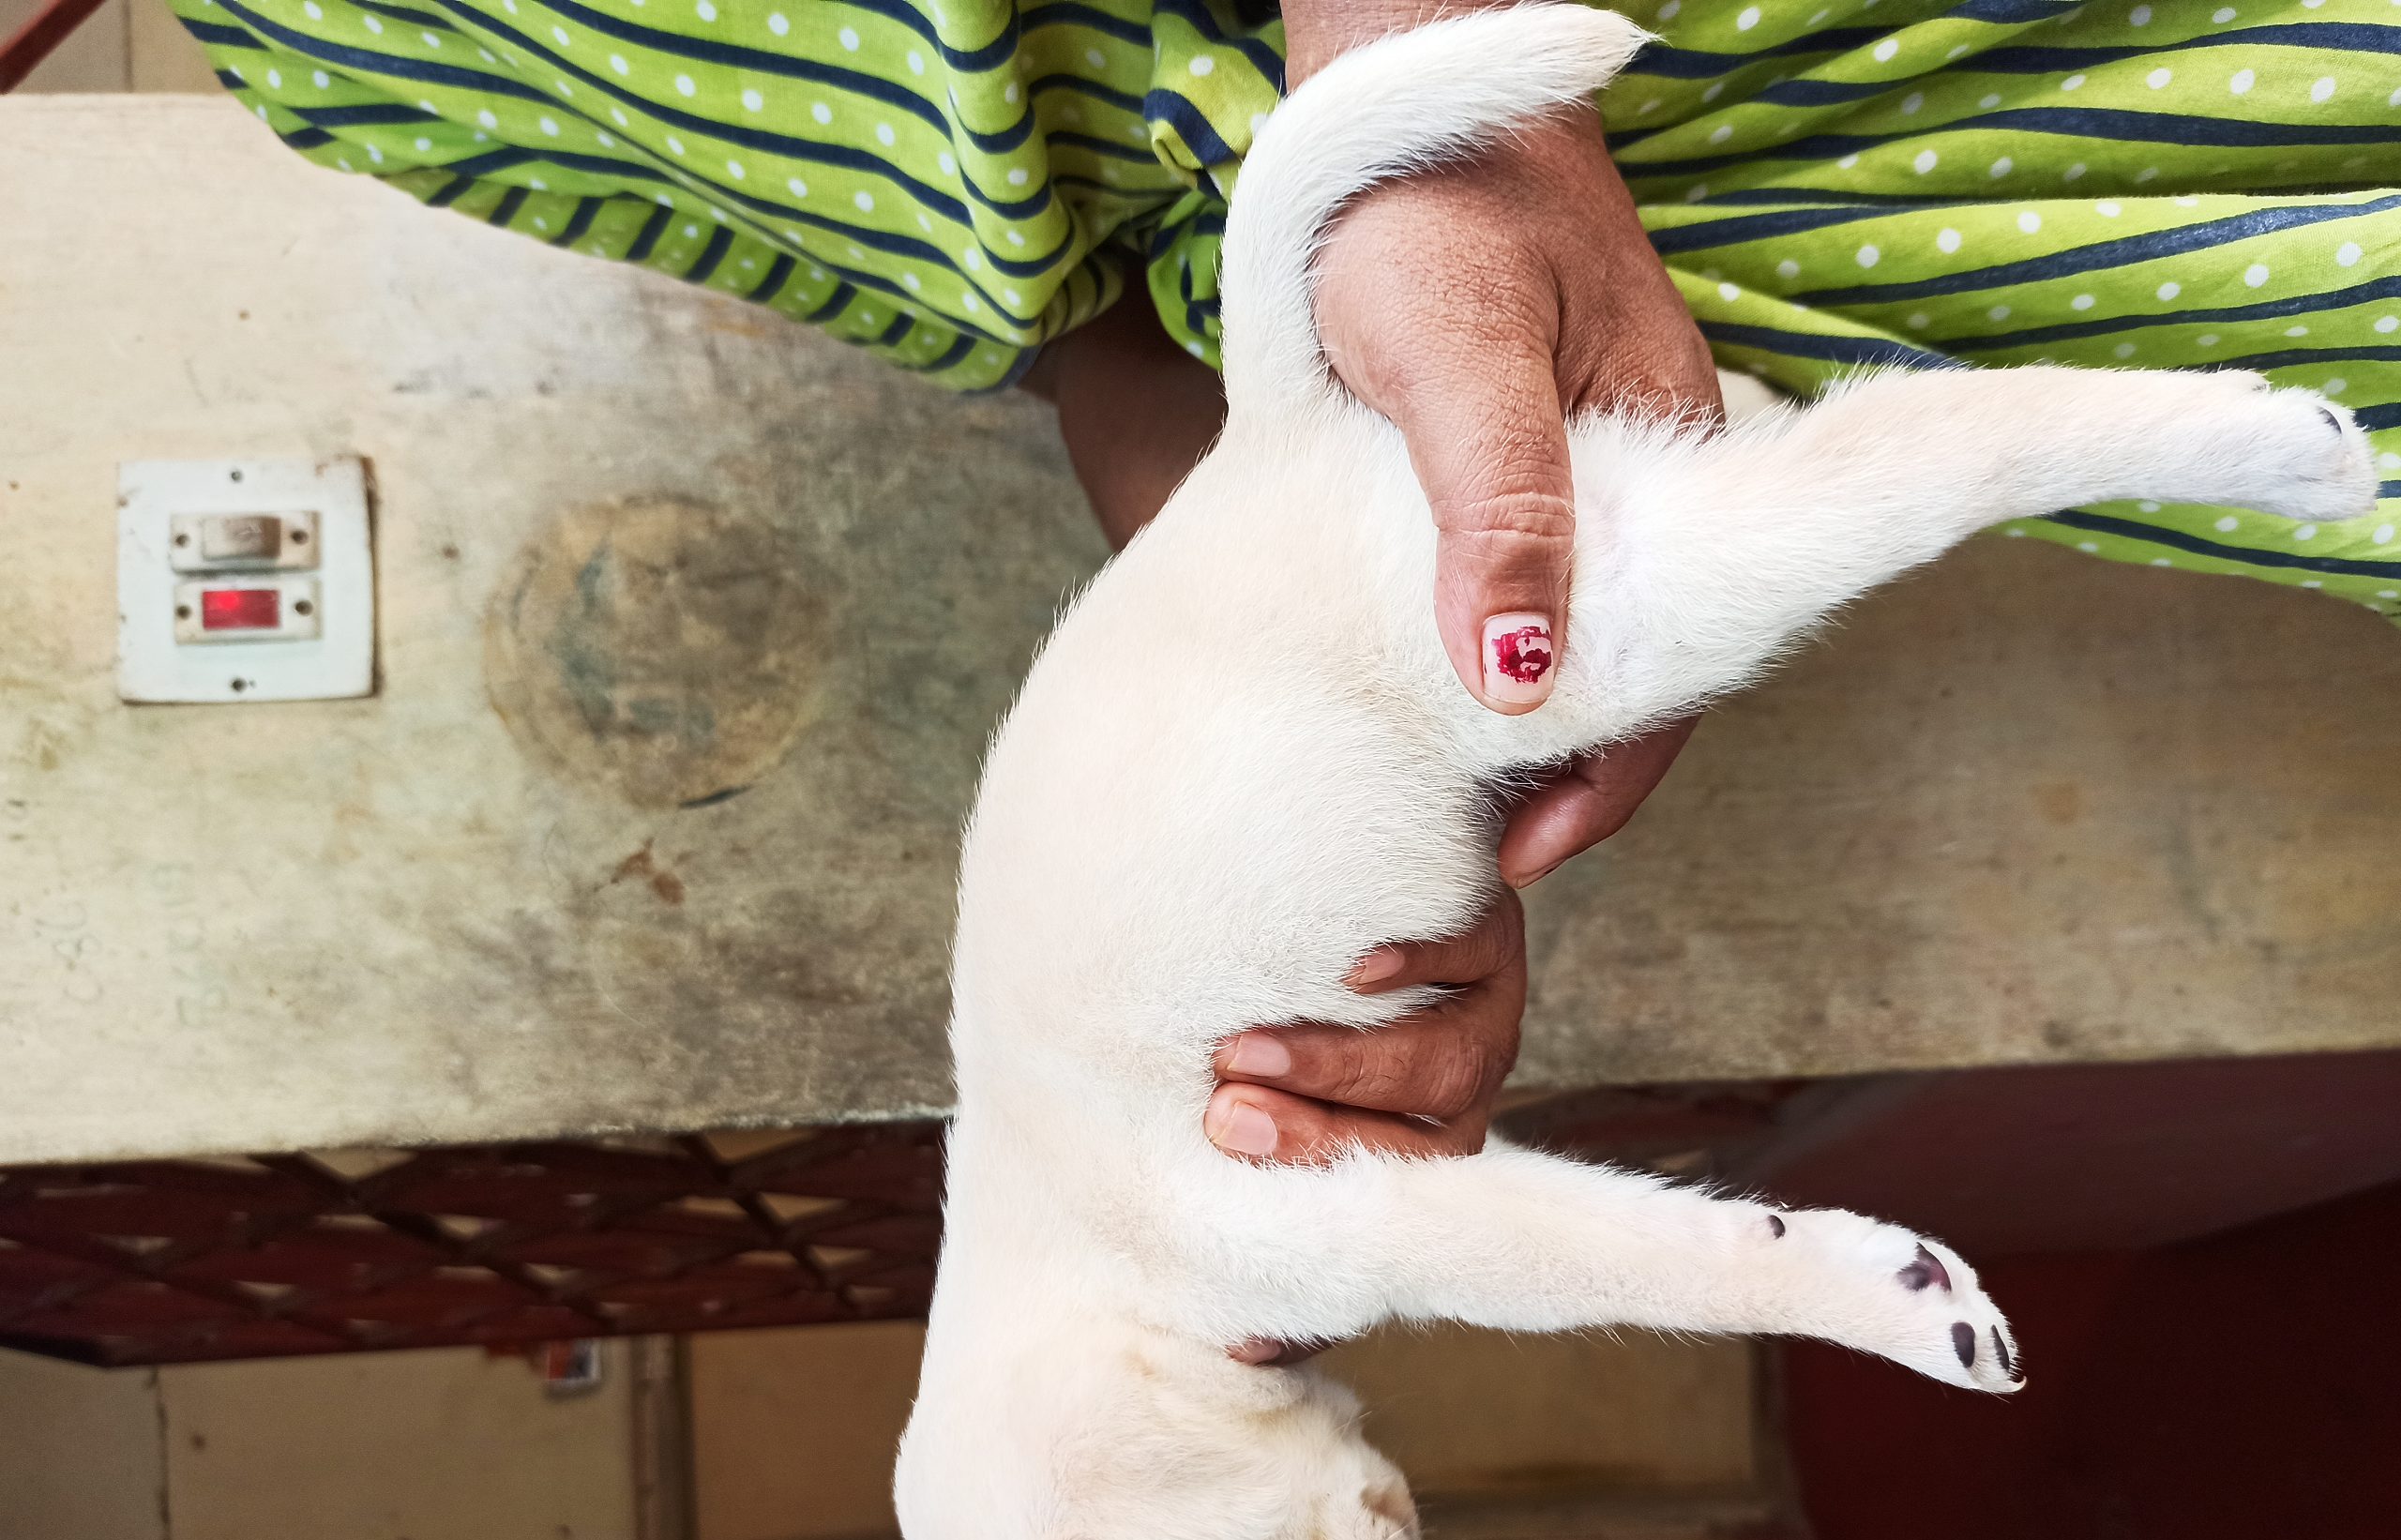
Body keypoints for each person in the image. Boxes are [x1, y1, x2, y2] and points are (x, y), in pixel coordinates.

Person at [174, 0, 2399, 1164]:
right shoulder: (334, 74)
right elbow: (1072, 328)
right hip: (1758, 308)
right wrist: (1366, 756)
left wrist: (1423, 86)